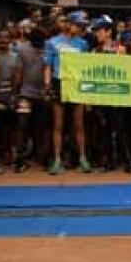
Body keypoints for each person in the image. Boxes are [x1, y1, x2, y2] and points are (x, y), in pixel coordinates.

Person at [43, 13, 90, 174]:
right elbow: (48, 66)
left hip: (76, 85)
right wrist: (48, 85)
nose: (79, 28)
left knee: (79, 124)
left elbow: (85, 67)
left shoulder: (83, 44)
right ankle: (57, 160)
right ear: (68, 24)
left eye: (81, 25)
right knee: (58, 124)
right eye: (77, 24)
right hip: (59, 83)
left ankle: (83, 158)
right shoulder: (52, 42)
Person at [91, 18, 131, 173]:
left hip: (118, 95)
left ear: (109, 31)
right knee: (104, 129)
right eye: (96, 31)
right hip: (101, 96)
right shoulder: (94, 51)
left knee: (122, 129)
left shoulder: (120, 49)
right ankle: (109, 161)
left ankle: (129, 161)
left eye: (100, 30)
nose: (97, 34)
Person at [15, 25, 49, 173]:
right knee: (22, 124)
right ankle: (20, 160)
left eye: (41, 42)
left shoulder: (49, 48)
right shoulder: (23, 49)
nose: (39, 45)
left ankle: (43, 157)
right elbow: (19, 71)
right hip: (25, 94)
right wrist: (16, 92)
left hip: (43, 94)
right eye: (37, 42)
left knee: (41, 127)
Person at [0, 28, 22, 170]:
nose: (3, 41)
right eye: (0, 38)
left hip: (9, 95)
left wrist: (14, 96)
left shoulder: (15, 56)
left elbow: (17, 76)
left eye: (6, 38)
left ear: (10, 40)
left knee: (11, 127)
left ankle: (11, 154)